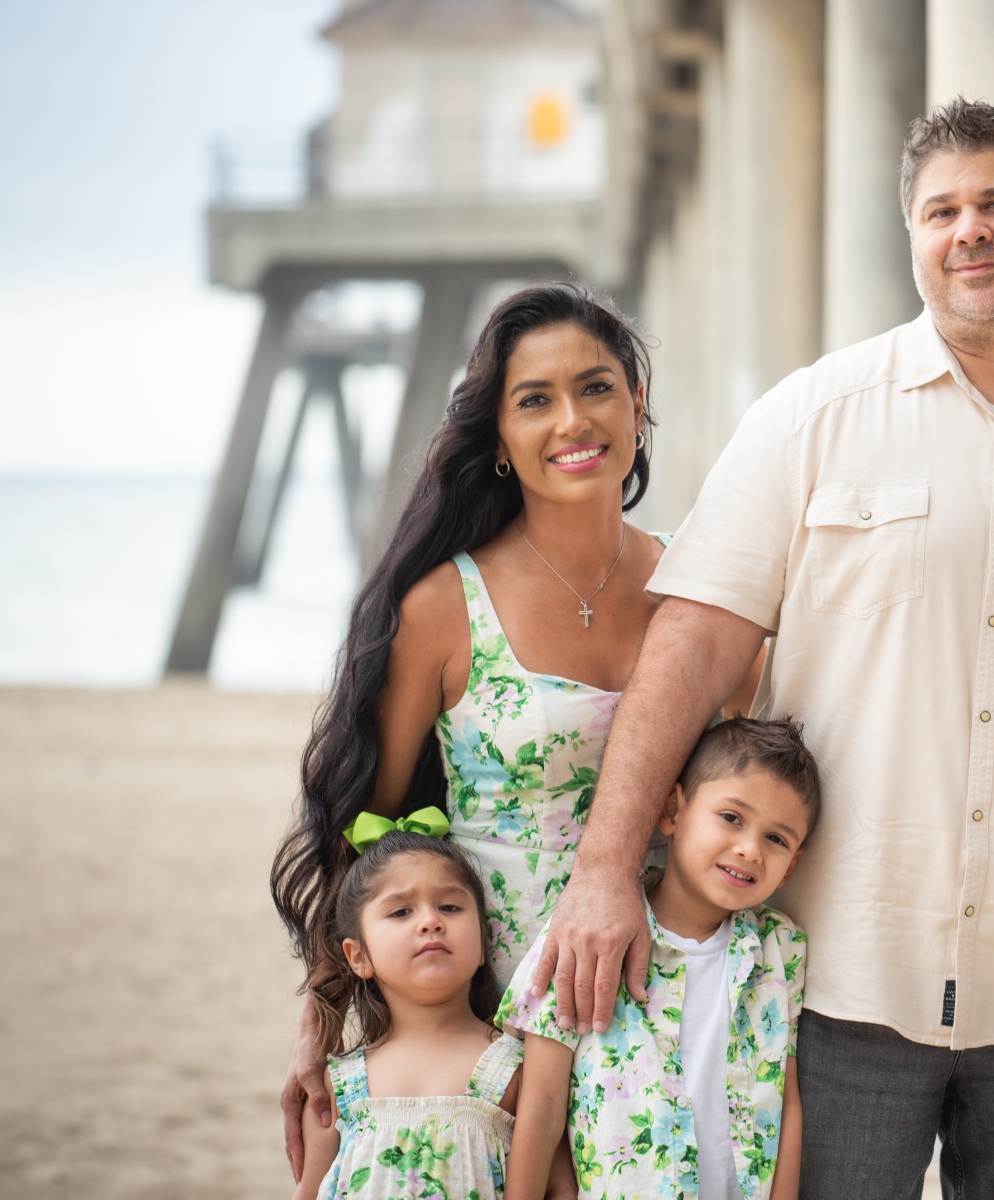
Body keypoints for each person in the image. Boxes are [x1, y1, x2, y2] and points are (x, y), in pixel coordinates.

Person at [529, 98, 994, 1199]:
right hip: (827, 988)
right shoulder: (809, 417)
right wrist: (604, 869)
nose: (969, 231)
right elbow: (690, 648)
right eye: (941, 211)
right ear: (913, 236)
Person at [271, 284, 755, 1190]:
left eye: (596, 387)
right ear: (498, 436)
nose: (573, 420)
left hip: (667, 1003)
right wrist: (319, 1019)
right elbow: (367, 833)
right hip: (496, 1015)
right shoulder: (442, 606)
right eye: (535, 400)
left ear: (637, 404)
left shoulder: (701, 589)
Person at [499, 717, 816, 1200]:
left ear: (791, 866)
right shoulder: (589, 934)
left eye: (777, 839)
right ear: (672, 810)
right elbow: (540, 1103)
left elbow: (786, 1099)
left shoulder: (781, 947)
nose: (750, 849)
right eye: (731, 817)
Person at [294, 823, 518, 1200]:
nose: (430, 921)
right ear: (358, 956)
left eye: (449, 907)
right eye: (400, 912)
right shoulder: (339, 1084)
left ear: (484, 943)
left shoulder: (514, 1069)